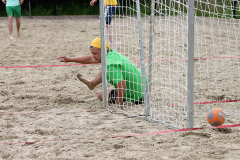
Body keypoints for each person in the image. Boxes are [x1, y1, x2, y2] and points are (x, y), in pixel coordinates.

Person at [56, 38, 147, 105]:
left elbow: (121, 84)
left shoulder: (110, 65)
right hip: (145, 88)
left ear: (103, 51)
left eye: (95, 53)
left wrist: (117, 103)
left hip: (137, 97)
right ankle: (92, 83)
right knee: (105, 69)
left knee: (100, 94)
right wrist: (70, 59)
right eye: (92, 53)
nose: (93, 55)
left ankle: (92, 84)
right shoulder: (111, 53)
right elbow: (90, 58)